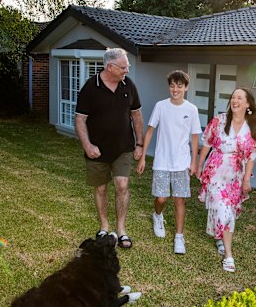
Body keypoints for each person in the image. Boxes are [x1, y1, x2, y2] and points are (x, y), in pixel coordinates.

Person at [75, 48, 144, 249]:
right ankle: (104, 226)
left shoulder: (128, 85)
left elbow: (136, 115)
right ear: (110, 67)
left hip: (122, 147)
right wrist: (87, 145)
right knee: (101, 188)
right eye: (123, 67)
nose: (127, 71)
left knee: (122, 186)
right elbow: (80, 119)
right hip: (97, 150)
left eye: (127, 66)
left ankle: (121, 230)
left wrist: (139, 143)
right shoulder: (90, 87)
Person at [196, 87, 256, 272]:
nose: (235, 100)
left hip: (236, 176)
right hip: (216, 171)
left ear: (248, 104)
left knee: (228, 212)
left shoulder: (252, 127)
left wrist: (247, 180)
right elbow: (207, 142)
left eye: (239, 98)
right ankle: (228, 256)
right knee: (222, 209)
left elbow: (251, 156)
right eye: (233, 97)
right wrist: (199, 164)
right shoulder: (220, 120)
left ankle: (219, 238)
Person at [137, 70, 201, 254]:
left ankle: (179, 237)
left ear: (186, 88)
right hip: (162, 161)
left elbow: (195, 137)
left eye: (179, 86)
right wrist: (142, 157)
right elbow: (150, 131)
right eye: (172, 85)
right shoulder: (161, 106)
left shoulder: (191, 109)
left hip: (182, 162)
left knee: (179, 200)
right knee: (161, 198)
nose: (175, 89)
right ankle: (158, 215)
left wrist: (194, 162)